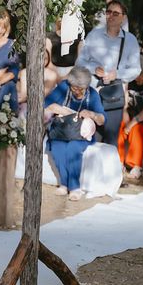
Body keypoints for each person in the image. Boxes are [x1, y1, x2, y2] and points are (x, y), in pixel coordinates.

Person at [76, 0, 141, 147]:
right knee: (90, 135)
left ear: (123, 17)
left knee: (110, 139)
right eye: (108, 12)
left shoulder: (130, 40)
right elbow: (80, 62)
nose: (111, 16)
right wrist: (94, 69)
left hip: (114, 94)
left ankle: (108, 169)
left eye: (116, 13)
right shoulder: (94, 35)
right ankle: (90, 169)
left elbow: (136, 69)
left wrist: (116, 74)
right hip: (92, 91)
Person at [44, 67, 106, 201]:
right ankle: (64, 184)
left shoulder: (93, 94)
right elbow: (45, 105)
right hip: (61, 131)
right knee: (57, 149)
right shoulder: (63, 87)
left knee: (73, 149)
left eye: (81, 89)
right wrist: (54, 108)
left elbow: (102, 120)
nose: (77, 91)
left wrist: (92, 114)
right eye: (74, 88)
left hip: (80, 134)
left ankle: (74, 187)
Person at [18, 46, 59, 117]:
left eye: (45, 59)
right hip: (27, 102)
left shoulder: (52, 74)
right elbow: (24, 93)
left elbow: (44, 93)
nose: (42, 61)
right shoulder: (24, 72)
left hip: (45, 104)